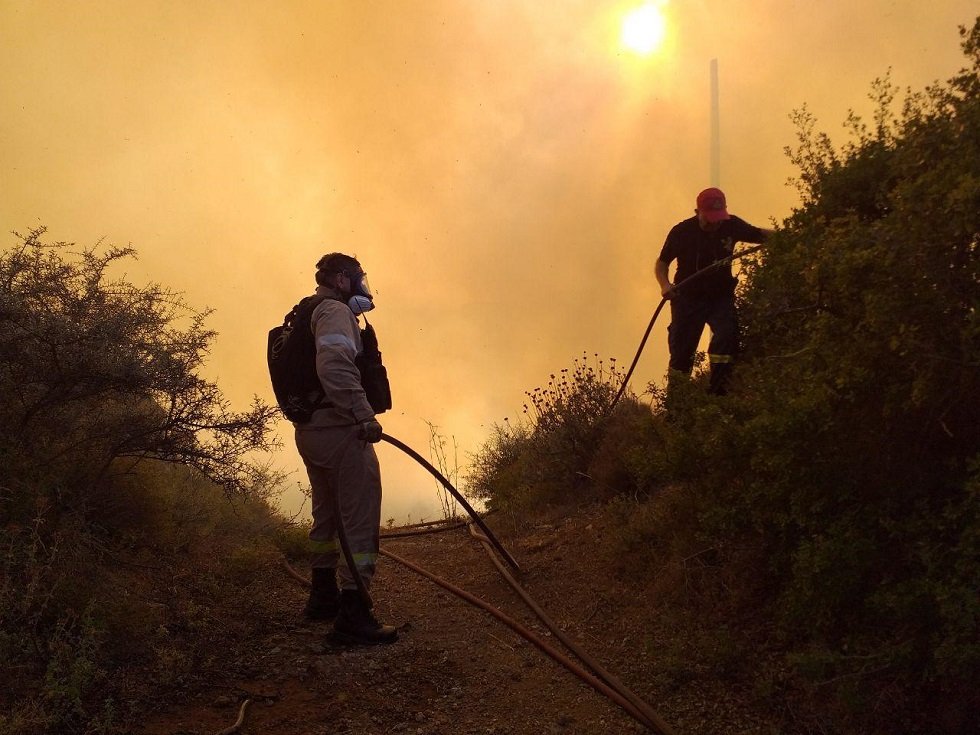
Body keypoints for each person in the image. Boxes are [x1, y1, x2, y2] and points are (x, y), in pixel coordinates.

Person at [294, 252, 397, 645]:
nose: (361, 285)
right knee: (357, 514)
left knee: (326, 513)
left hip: (311, 429)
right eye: (356, 277)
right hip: (340, 429)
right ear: (340, 279)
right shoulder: (335, 312)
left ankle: (323, 597)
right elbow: (335, 368)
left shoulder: (306, 311)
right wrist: (362, 415)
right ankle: (353, 614)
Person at [654, 187, 773, 395]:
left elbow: (758, 234)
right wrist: (665, 285)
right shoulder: (681, 232)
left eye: (719, 217)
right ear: (697, 212)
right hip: (687, 300)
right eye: (710, 217)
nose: (715, 222)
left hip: (720, 298)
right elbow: (662, 263)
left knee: (726, 338)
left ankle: (719, 394)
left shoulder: (731, 225)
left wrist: (792, 233)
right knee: (682, 355)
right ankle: (677, 409)